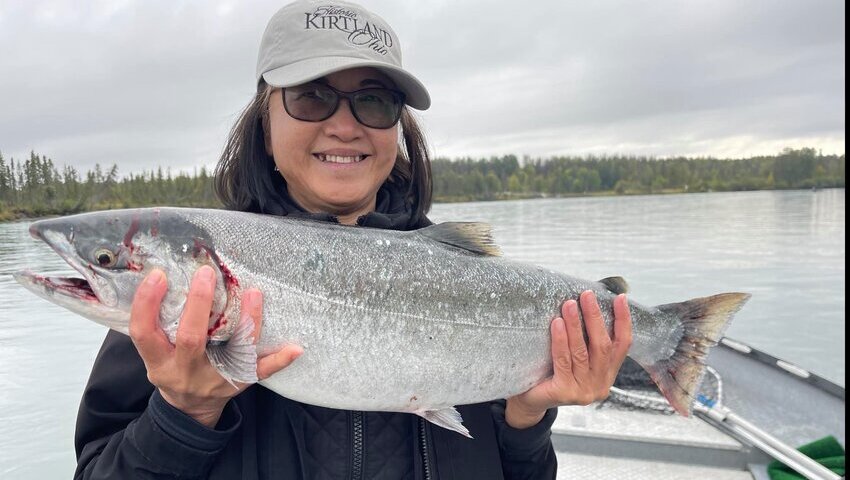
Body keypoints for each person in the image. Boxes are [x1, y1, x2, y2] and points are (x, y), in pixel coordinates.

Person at [74, 1, 633, 478]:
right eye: (312, 97)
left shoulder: (465, 278)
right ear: (264, 122)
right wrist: (183, 415)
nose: (345, 125)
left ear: (397, 127)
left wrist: (526, 420)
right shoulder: (184, 295)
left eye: (373, 101)